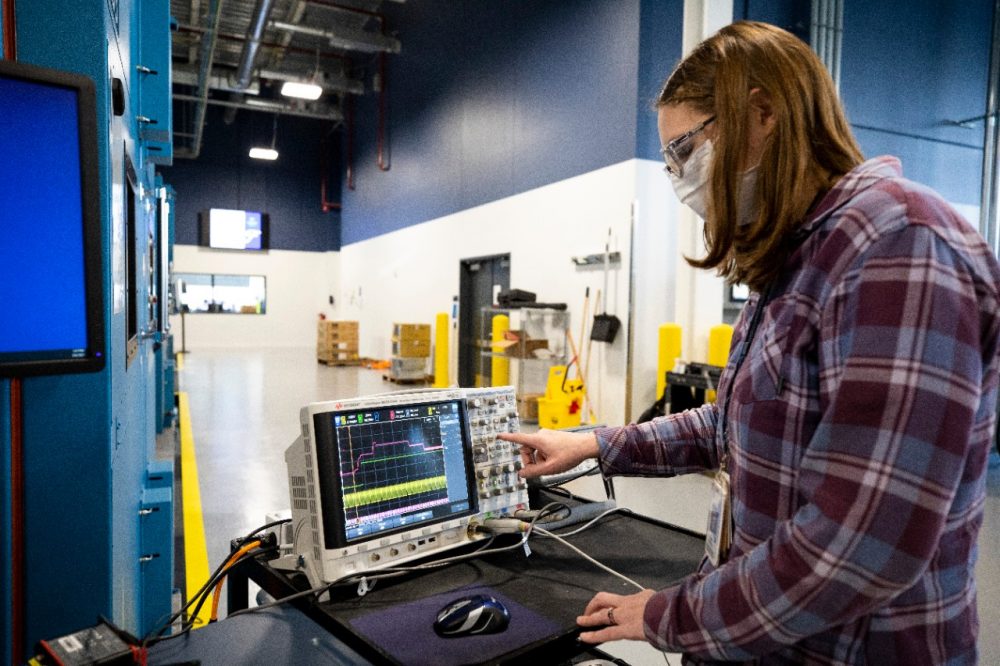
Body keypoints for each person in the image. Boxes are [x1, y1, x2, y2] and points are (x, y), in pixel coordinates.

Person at [499, 21, 1000, 664]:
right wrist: (590, 444)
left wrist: (667, 614)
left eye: (684, 149)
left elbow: (861, 546)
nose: (680, 177)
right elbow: (730, 424)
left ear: (761, 114)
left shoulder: (898, 244)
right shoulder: (792, 257)